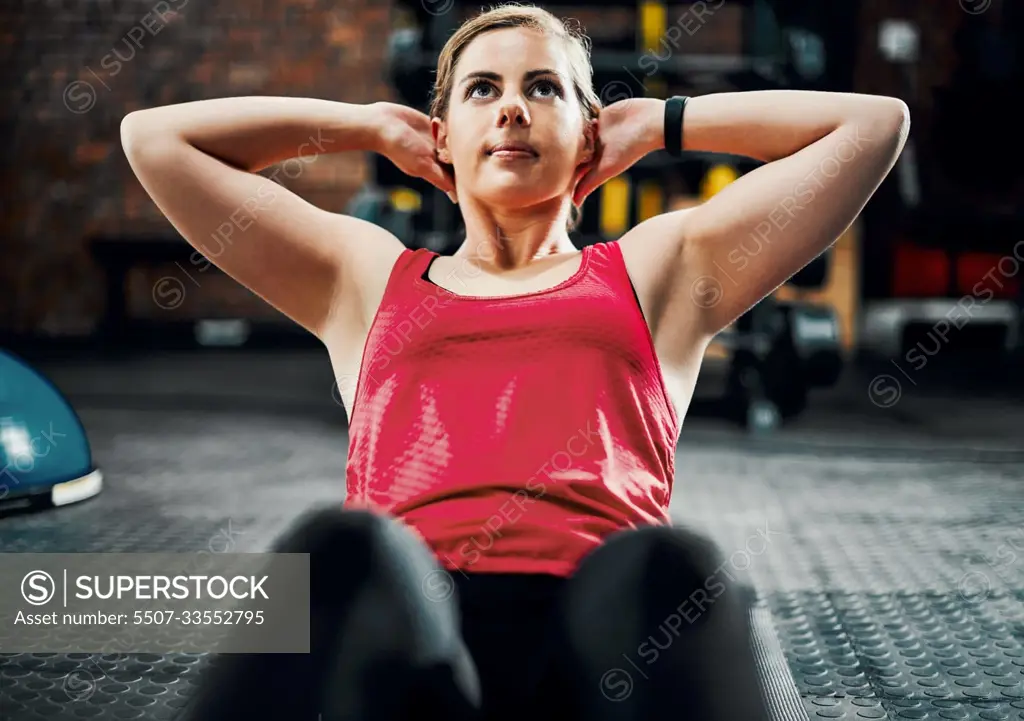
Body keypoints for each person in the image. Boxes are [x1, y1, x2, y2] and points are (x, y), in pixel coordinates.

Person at [120, 5, 908, 720]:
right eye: (481, 90)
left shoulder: (655, 270)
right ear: (441, 136)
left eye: (544, 87)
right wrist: (370, 127)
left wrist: (662, 123)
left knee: (678, 564)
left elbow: (872, 127)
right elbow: (156, 140)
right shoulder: (364, 277)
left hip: (602, 642)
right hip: (414, 638)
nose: (512, 107)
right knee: (342, 548)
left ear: (589, 131)